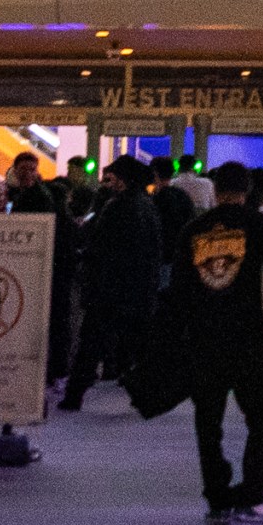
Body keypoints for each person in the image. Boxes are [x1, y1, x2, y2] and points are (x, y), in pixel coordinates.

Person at [168, 164, 263, 525]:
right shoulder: (256, 225)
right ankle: (252, 493)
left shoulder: (193, 230)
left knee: (208, 421)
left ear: (215, 188)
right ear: (249, 188)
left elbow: (179, 287)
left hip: (204, 340)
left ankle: (217, 496)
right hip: (246, 337)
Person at [60, 157, 164, 412]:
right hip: (137, 289)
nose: (110, 182)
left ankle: (74, 396)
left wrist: (86, 261)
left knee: (91, 343)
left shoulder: (117, 208)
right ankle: (149, 395)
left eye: (114, 177)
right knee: (136, 344)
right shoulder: (147, 207)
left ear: (124, 180)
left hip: (110, 289)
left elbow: (101, 246)